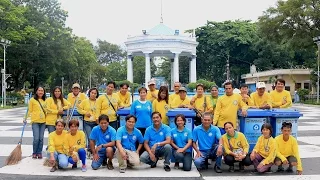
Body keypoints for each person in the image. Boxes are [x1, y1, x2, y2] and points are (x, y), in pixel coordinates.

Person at [27, 86, 47, 159]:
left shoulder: (45, 100)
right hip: (35, 121)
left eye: (42, 90)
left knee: (41, 138)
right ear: (36, 91)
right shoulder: (32, 100)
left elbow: (48, 110)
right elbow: (29, 110)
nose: (40, 92)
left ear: (44, 92)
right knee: (36, 138)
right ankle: (34, 152)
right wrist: (25, 118)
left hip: (43, 122)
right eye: (39, 90)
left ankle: (39, 152)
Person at [78, 87, 99, 153]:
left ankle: (93, 150)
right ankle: (90, 151)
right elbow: (79, 109)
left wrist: (97, 118)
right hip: (87, 122)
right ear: (89, 93)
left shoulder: (98, 101)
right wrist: (85, 113)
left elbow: (100, 110)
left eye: (95, 93)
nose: (93, 94)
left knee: (95, 137)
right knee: (90, 137)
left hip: (96, 122)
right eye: (92, 93)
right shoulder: (85, 101)